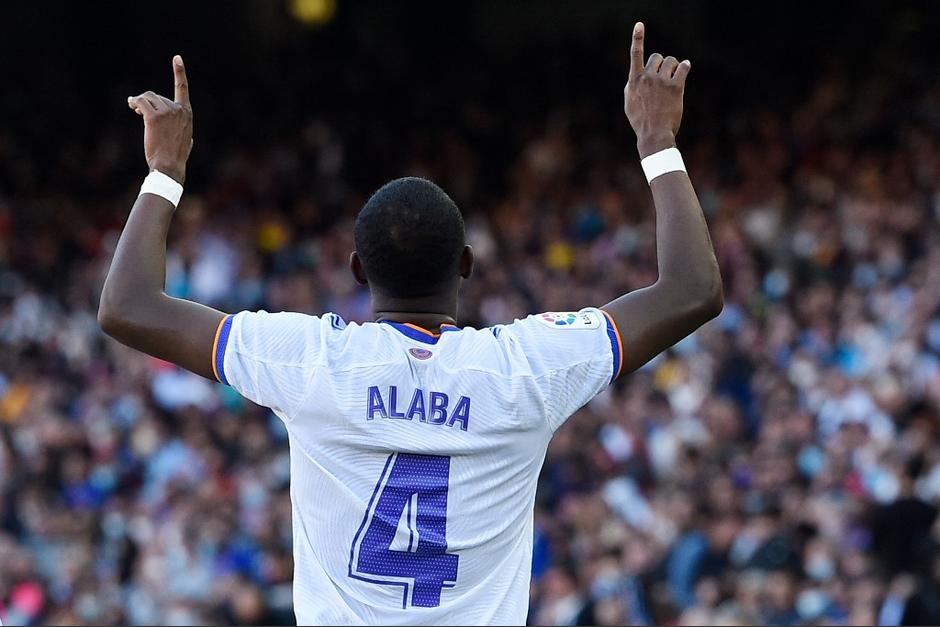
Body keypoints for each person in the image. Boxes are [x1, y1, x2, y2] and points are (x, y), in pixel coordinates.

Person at [97, 22, 722, 626]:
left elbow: (128, 307)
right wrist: (657, 143)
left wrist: (165, 173)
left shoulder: (310, 359)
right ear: (467, 265)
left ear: (357, 269)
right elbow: (692, 291)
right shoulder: (525, 368)